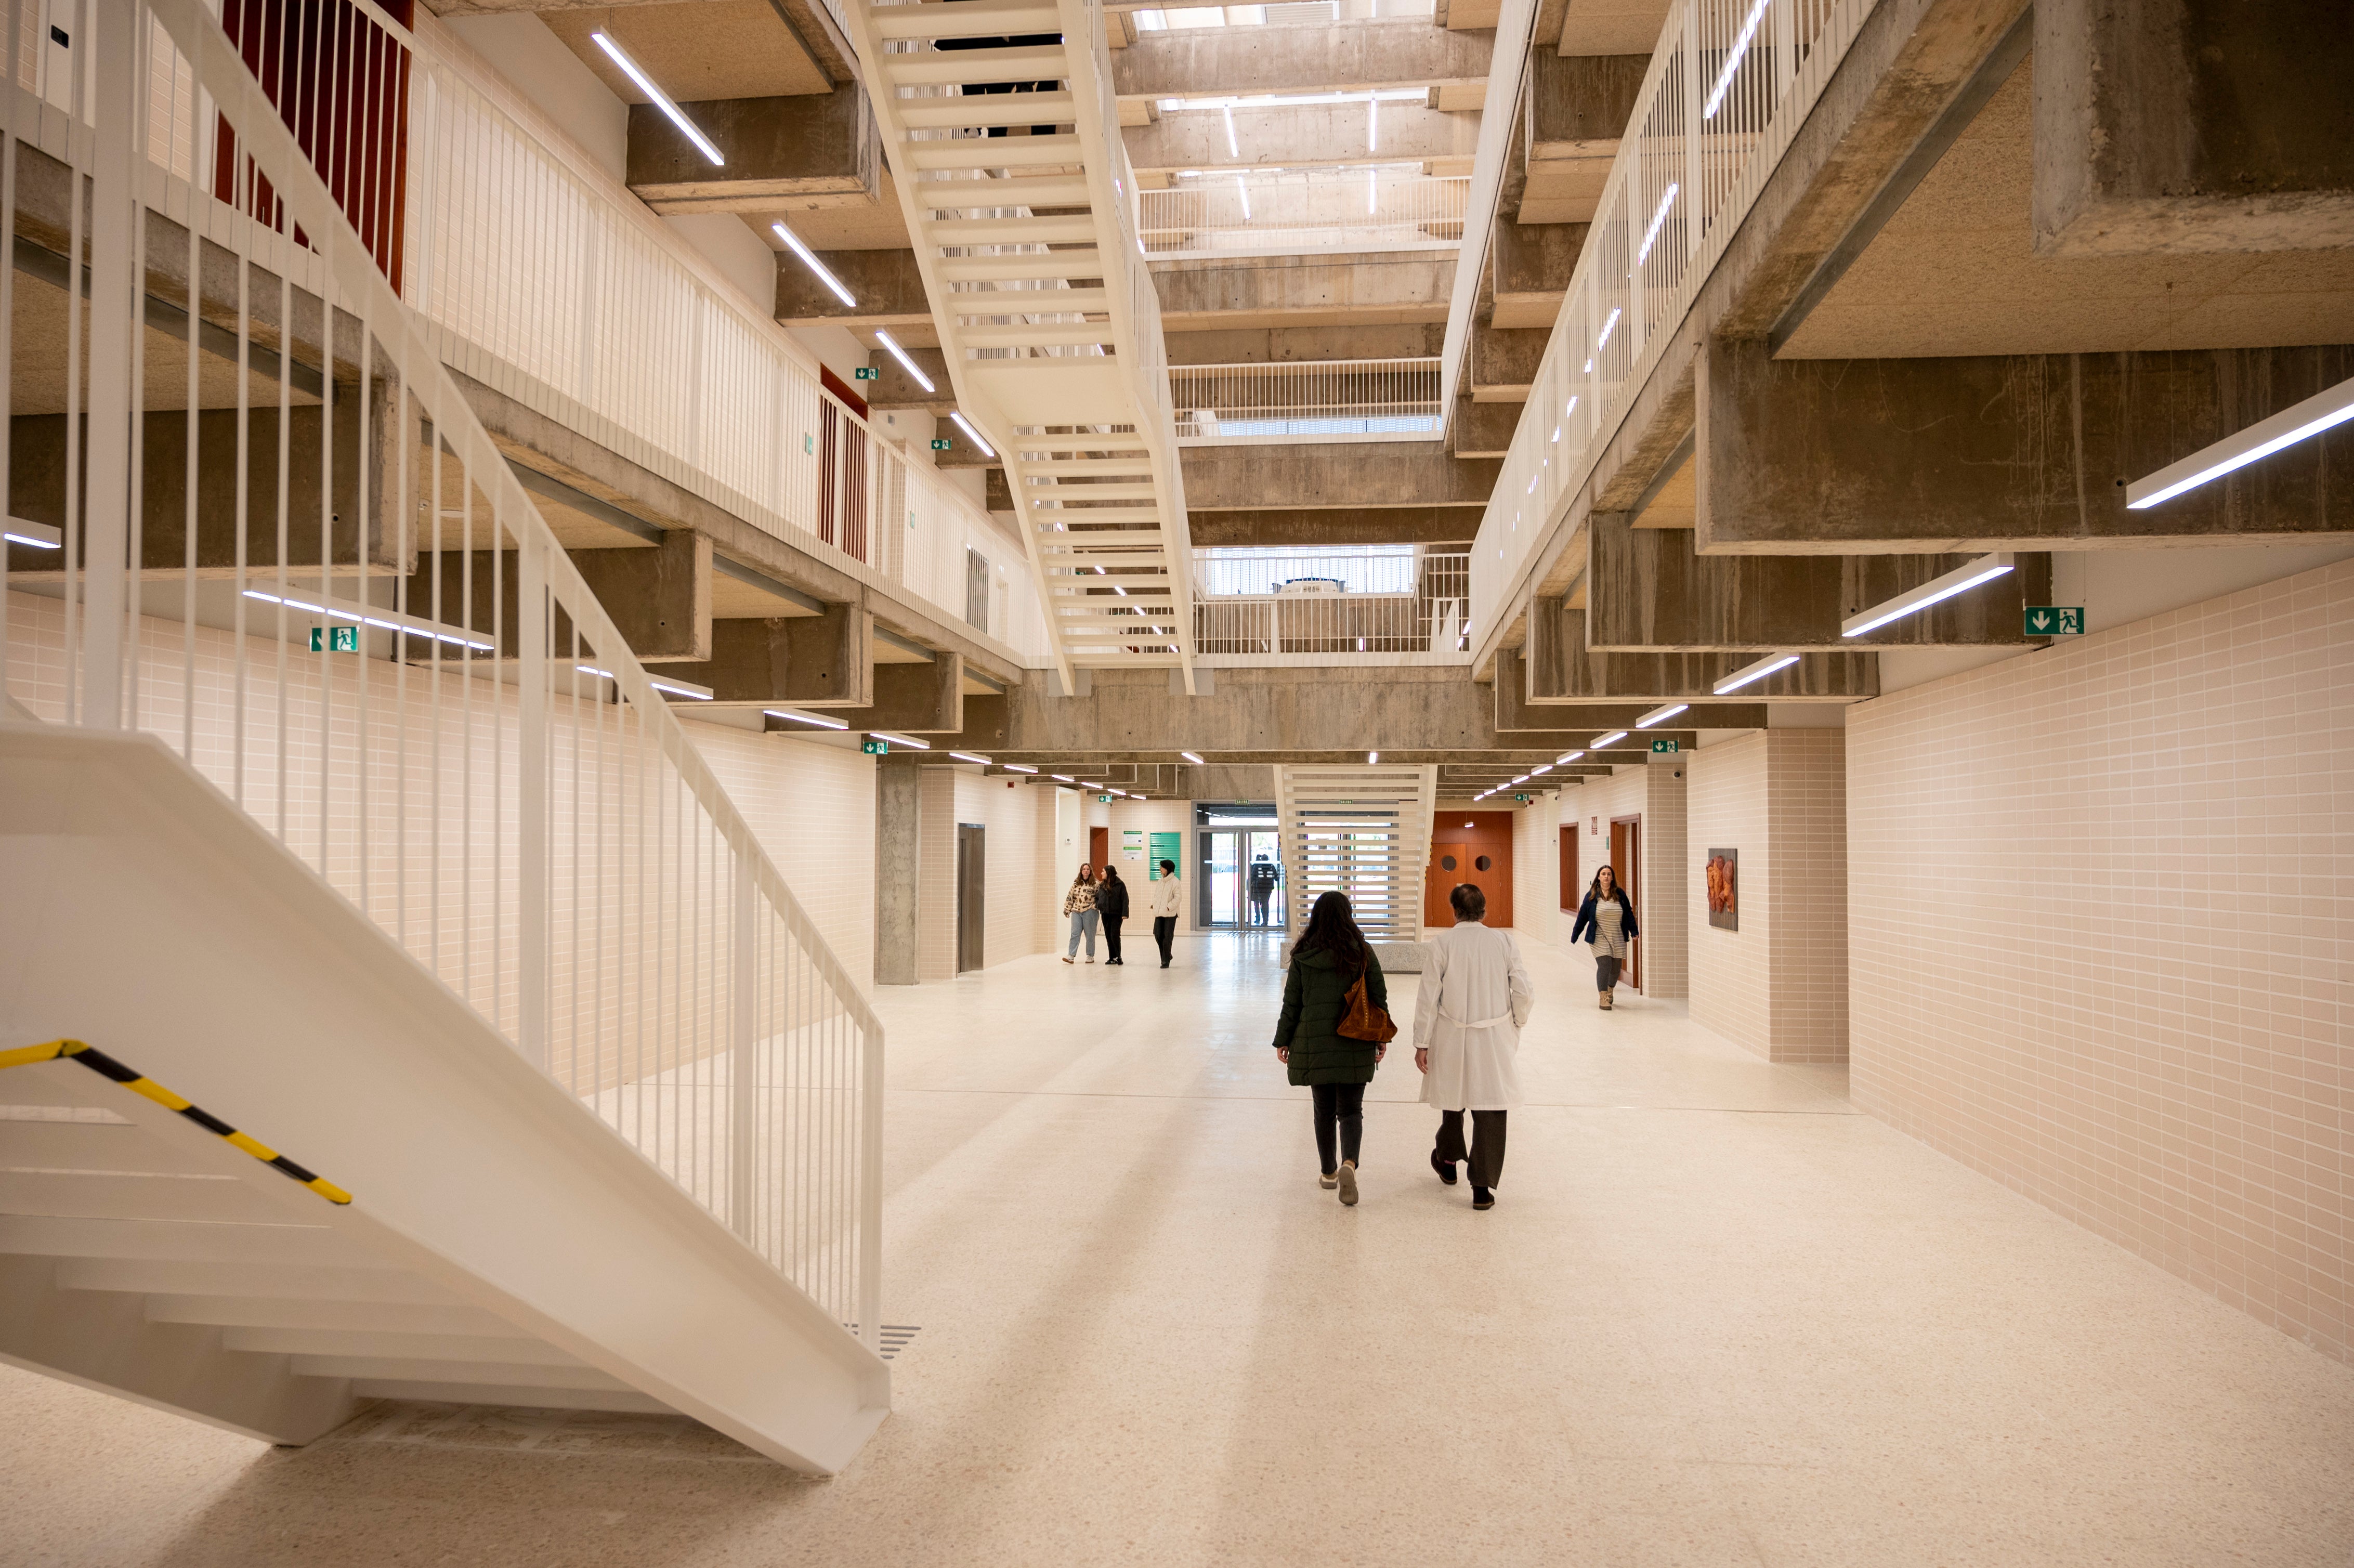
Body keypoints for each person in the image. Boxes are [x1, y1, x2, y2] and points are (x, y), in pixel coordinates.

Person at [1415, 883, 1533, 1211]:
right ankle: (1482, 1188)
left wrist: (1422, 1043)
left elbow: (1428, 998)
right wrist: (1516, 1023)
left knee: (1454, 1099)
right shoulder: (1504, 942)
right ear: (1484, 911)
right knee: (1492, 1107)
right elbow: (1523, 991)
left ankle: (1449, 1162)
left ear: (1455, 911)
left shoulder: (1442, 944)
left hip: (1452, 1034)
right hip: (1494, 1036)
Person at [1272, 891, 1388, 1207]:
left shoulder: (1304, 955)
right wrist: (1380, 1037)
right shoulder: (1362, 952)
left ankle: (1328, 1172)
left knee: (1323, 1110)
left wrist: (1283, 1039)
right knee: (1351, 1110)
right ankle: (1350, 1162)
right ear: (1348, 915)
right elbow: (1378, 997)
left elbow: (1291, 1003)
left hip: (1315, 1043)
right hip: (1355, 1039)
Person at [1569, 864, 1639, 1009]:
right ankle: (1603, 998)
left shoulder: (1620, 894)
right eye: (1603, 874)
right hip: (1599, 935)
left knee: (1615, 969)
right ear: (1599, 877)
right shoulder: (1592, 896)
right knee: (1605, 964)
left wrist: (1634, 931)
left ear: (1612, 878)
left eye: (1609, 874)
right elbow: (1583, 917)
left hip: (1618, 935)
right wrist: (1575, 935)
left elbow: (1628, 913)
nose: (1606, 877)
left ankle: (1610, 990)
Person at [1144, 858, 1182, 967]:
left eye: (1162, 867)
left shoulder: (1176, 881)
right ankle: (1167, 954)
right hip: (1159, 912)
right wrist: (1154, 904)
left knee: (1167, 937)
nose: (1160, 869)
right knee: (1157, 935)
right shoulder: (1160, 881)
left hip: (1170, 914)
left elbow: (1178, 898)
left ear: (1168, 869)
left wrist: (1168, 907)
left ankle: (1165, 961)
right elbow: (1157, 895)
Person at [1061, 865, 1100, 964]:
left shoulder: (1096, 884)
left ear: (1090, 871)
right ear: (1081, 871)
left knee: (1090, 935)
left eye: (1088, 869)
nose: (1086, 871)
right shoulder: (1076, 884)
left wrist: (1095, 907)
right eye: (1084, 869)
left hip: (1090, 911)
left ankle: (1090, 955)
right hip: (1077, 911)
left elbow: (1101, 898)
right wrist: (1067, 909)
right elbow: (1070, 897)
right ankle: (1071, 955)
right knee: (1075, 933)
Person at [1095, 864, 1131, 965]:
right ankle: (1112, 957)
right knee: (1108, 936)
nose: (1101, 873)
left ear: (1108, 873)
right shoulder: (1102, 885)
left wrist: (1125, 913)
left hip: (1117, 914)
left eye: (1103, 872)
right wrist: (1099, 905)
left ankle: (1118, 957)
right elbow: (1098, 897)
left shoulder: (1120, 885)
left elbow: (1125, 900)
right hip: (1105, 914)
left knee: (1114, 935)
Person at [1248, 854, 1280, 926]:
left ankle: (1264, 920)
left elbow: (1252, 877)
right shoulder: (1271, 866)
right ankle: (1266, 920)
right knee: (1265, 903)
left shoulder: (1257, 866)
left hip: (1259, 888)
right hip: (1268, 888)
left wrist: (1249, 887)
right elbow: (1277, 878)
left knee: (1263, 904)